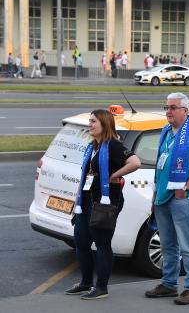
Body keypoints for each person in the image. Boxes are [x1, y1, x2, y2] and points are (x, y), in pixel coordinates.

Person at [65, 109, 141, 299]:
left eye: (93, 122)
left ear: (104, 124)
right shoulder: (92, 147)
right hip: (86, 201)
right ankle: (85, 283)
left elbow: (135, 162)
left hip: (105, 202)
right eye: (89, 121)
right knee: (81, 242)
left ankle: (101, 287)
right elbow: (86, 175)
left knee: (102, 244)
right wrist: (77, 200)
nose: (89, 124)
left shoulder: (113, 145)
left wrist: (115, 175)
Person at [145, 93, 189, 305]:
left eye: (173, 107)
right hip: (163, 197)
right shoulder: (166, 130)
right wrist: (155, 192)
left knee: (188, 245)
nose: (168, 111)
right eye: (166, 107)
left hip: (183, 198)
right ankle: (169, 284)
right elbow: (160, 164)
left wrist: (186, 186)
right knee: (167, 244)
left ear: (186, 110)